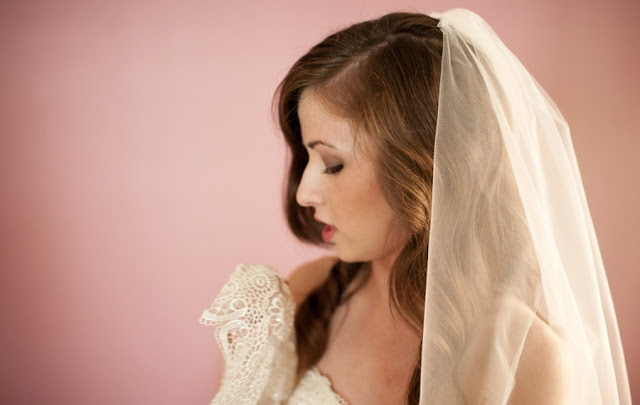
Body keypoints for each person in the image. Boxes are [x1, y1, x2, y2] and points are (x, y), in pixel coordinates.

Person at [200, 8, 631, 405]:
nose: (304, 194)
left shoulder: (523, 357)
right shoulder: (301, 298)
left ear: (427, 167)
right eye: (306, 157)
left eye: (332, 164)